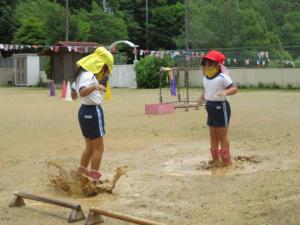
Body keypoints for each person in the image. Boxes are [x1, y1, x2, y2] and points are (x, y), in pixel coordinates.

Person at [71, 47, 114, 181]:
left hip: (83, 111)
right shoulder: (89, 75)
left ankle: (81, 175)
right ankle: (93, 179)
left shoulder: (80, 75)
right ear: (100, 65)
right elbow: (82, 92)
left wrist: (88, 90)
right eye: (106, 69)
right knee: (99, 148)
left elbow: (74, 95)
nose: (105, 73)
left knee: (89, 147)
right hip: (93, 111)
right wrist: (96, 86)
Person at [196, 50, 237, 166]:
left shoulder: (222, 77)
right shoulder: (205, 77)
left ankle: (226, 161)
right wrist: (200, 100)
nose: (206, 66)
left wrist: (225, 92)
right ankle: (215, 160)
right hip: (210, 107)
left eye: (209, 63)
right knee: (213, 135)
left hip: (221, 107)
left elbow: (234, 89)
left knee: (222, 136)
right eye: (205, 63)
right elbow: (206, 89)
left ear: (217, 65)